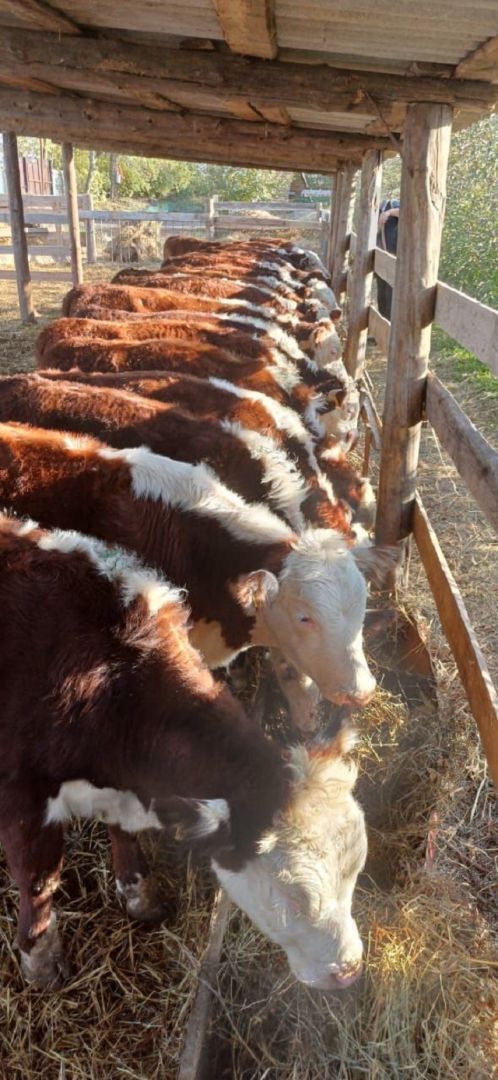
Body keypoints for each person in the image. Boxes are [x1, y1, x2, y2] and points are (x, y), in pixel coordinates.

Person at [376, 198, 400, 320]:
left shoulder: (393, 205)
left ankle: (389, 334)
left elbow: (404, 212)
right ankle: (380, 336)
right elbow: (375, 233)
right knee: (382, 298)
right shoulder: (381, 206)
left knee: (391, 300)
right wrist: (380, 222)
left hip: (396, 264)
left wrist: (389, 212)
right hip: (382, 260)